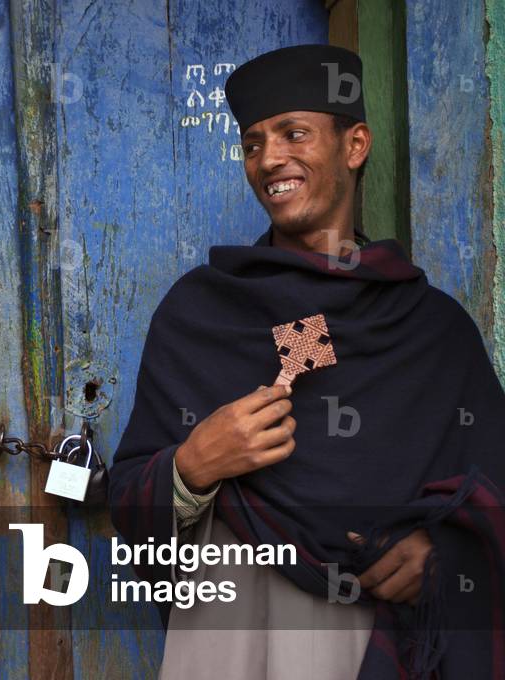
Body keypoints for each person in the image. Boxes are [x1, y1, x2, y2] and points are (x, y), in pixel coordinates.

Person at [109, 44, 505, 679]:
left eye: (294, 134)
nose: (270, 160)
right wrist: (191, 467)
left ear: (354, 146)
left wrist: (441, 554)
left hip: (370, 638)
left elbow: (494, 489)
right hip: (224, 627)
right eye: (253, 143)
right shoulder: (198, 313)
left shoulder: (432, 329)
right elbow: (129, 503)